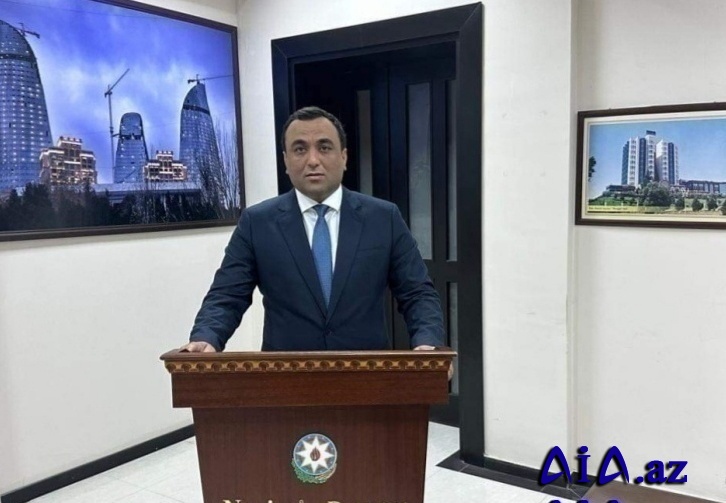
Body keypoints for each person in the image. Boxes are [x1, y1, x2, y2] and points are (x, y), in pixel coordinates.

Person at [182, 106, 445, 354]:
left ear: (344, 157)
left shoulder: (383, 218)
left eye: (324, 147)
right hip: (285, 377)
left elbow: (417, 293)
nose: (313, 160)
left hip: (366, 374)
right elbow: (227, 295)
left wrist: (428, 343)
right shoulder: (257, 222)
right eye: (300, 149)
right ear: (285, 161)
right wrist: (207, 336)